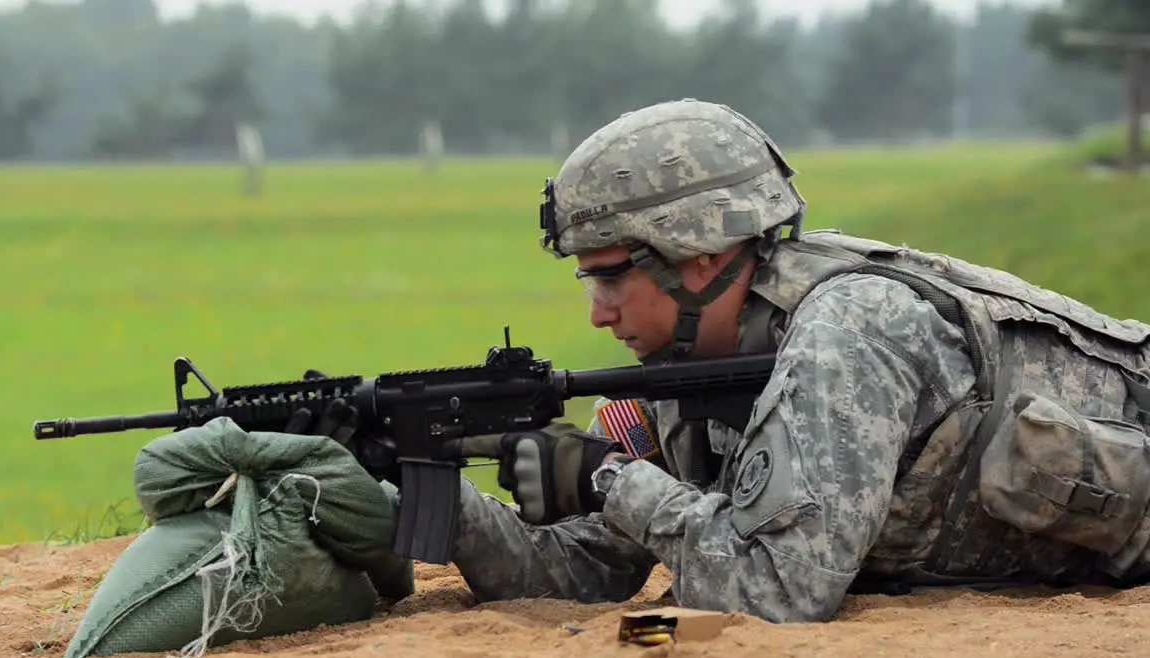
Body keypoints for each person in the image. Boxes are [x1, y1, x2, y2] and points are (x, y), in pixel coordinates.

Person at [432, 97, 1150, 623]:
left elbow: (778, 591)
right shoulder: (688, 363)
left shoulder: (849, 332)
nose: (598, 312)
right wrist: (429, 492)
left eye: (614, 276)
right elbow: (587, 568)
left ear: (702, 255)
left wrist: (608, 479)